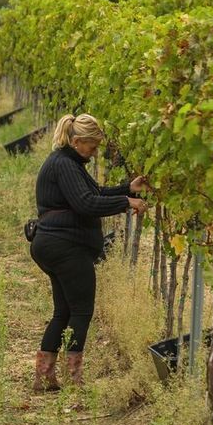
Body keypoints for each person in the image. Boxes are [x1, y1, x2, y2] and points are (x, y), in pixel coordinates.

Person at [30, 114, 147, 391]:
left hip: (53, 244)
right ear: (77, 140)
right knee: (81, 311)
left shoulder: (68, 162)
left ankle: (44, 376)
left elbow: (94, 193)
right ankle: (74, 379)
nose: (94, 153)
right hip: (65, 246)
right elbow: (86, 204)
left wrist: (127, 188)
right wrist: (126, 202)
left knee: (64, 311)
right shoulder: (65, 165)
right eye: (92, 147)